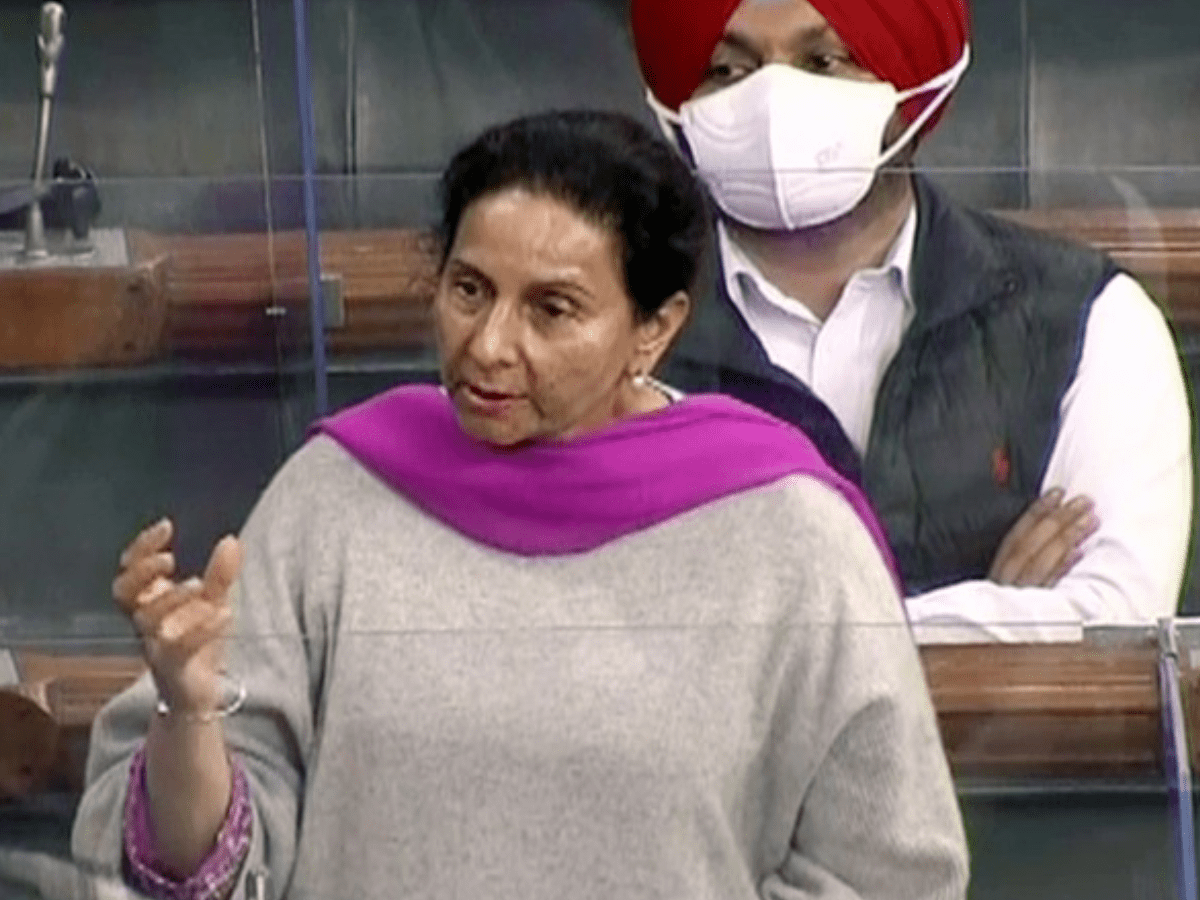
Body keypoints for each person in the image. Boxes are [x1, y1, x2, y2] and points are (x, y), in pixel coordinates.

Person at [70, 111, 967, 900]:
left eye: (552, 309)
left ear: (654, 329)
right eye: (470, 290)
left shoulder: (789, 535)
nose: (489, 345)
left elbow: (888, 870)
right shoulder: (335, 497)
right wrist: (186, 715)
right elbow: (195, 869)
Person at [629, 0, 1194, 643]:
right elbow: (593, 628)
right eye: (728, 71)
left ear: (917, 86)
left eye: (825, 62)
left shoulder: (1088, 318)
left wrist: (768, 638)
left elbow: (1116, 623)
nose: (772, 98)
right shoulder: (607, 327)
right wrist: (990, 617)